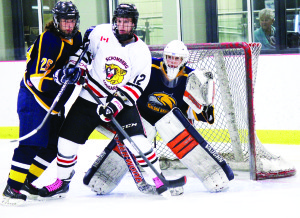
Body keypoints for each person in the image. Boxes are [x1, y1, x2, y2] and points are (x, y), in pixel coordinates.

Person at [38, 3, 169, 199]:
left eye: (127, 22)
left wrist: (116, 104)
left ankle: (158, 178)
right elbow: (83, 55)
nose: (123, 25)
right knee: (65, 141)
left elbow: (137, 85)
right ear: (114, 21)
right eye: (119, 21)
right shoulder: (99, 33)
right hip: (90, 97)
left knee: (139, 142)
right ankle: (62, 182)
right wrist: (78, 68)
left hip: (121, 103)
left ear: (134, 24)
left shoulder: (141, 51)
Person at [83, 40, 234, 196]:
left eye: (177, 59)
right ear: (164, 56)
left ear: (184, 60)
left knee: (170, 125)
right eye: (169, 57)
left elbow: (204, 117)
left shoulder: (192, 77)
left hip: (173, 122)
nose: (173, 62)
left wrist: (204, 105)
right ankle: (103, 176)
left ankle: (213, 173)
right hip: (142, 118)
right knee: (138, 135)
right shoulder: (149, 66)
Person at [1, 1, 82, 206]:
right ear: (56, 21)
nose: (69, 26)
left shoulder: (76, 36)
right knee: (31, 143)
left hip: (55, 102)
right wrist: (61, 76)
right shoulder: (49, 40)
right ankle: (12, 188)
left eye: (72, 21)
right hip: (34, 97)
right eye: (65, 22)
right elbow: (38, 79)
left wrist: (77, 66)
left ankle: (26, 181)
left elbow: (75, 58)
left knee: (53, 145)